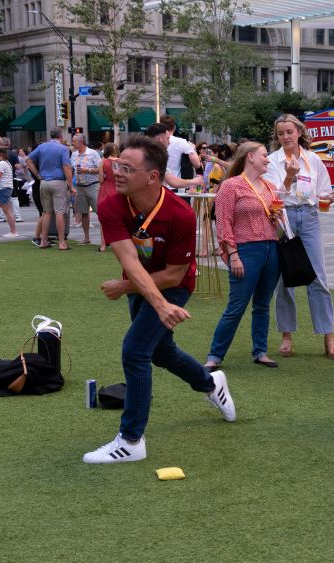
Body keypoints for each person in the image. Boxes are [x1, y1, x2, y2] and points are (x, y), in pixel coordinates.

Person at [85, 135, 235, 464]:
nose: (117, 172)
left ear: (152, 177)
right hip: (141, 280)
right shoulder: (111, 204)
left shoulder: (180, 214)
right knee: (161, 352)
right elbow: (130, 263)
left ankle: (131, 440)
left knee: (136, 351)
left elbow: (173, 275)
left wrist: (139, 293)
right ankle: (210, 383)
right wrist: (150, 298)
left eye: (127, 167)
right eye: (116, 165)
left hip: (176, 282)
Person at [263, 114, 334, 360]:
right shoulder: (273, 161)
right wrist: (288, 175)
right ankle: (287, 335)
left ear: (299, 132)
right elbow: (274, 195)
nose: (285, 137)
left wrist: (327, 198)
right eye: (280, 133)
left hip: (308, 216)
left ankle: (328, 335)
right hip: (283, 217)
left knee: (318, 275)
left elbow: (324, 191)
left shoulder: (313, 159)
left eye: (289, 132)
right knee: (285, 277)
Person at [206, 142, 282, 370]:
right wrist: (233, 255)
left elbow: (276, 224)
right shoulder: (231, 186)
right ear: (250, 157)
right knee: (236, 306)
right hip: (246, 250)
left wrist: (278, 218)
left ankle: (260, 351)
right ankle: (215, 355)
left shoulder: (270, 187)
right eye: (264, 155)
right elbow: (224, 223)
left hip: (272, 248)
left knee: (263, 305)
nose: (268, 159)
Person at [25, 128, 74, 250]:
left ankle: (43, 240)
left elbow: (28, 160)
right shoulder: (63, 149)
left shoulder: (42, 147)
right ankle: (62, 242)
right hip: (58, 181)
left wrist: (38, 175)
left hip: (44, 182)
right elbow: (66, 167)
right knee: (59, 212)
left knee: (46, 212)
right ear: (61, 136)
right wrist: (71, 185)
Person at [144, 123, 203, 192]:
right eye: (168, 139)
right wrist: (194, 181)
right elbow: (173, 182)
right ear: (160, 139)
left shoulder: (144, 152)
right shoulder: (154, 157)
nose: (169, 142)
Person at [70, 133, 103, 245]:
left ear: (81, 142)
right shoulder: (74, 155)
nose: (72, 143)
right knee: (83, 212)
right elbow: (72, 169)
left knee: (100, 212)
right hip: (80, 186)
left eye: (74, 141)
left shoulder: (93, 153)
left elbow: (100, 169)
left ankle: (104, 238)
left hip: (93, 185)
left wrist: (87, 170)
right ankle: (86, 238)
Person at [160, 114, 203, 184]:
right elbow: (197, 164)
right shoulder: (181, 142)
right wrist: (193, 149)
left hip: (157, 187)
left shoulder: (153, 142)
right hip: (176, 185)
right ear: (174, 127)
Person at [97, 142, 119, 252]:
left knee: (103, 218)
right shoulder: (121, 162)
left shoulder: (103, 162)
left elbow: (100, 180)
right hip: (119, 189)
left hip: (106, 189)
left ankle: (103, 245)